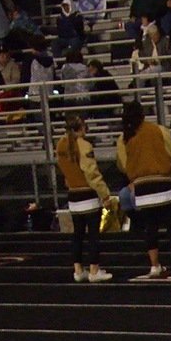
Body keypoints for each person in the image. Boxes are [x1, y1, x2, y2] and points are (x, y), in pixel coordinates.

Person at [116, 100, 171, 279]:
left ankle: (154, 265)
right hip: (162, 182)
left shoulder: (124, 137)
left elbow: (123, 165)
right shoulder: (157, 130)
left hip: (142, 186)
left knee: (150, 227)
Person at [55, 113, 113, 282]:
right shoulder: (84, 145)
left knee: (78, 234)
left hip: (73, 195)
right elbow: (92, 174)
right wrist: (105, 195)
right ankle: (94, 269)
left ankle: (78, 270)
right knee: (93, 235)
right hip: (87, 195)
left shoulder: (60, 144)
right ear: (80, 128)